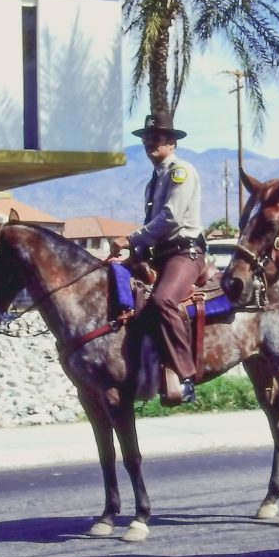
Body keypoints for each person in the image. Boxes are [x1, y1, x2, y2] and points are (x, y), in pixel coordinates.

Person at [111, 112, 205, 404]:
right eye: (147, 138)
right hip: (162, 255)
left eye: (158, 138)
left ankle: (186, 376)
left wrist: (131, 239)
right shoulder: (154, 180)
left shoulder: (181, 171)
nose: (151, 143)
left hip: (185, 253)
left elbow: (171, 219)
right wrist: (132, 254)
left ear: (172, 143)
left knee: (163, 300)